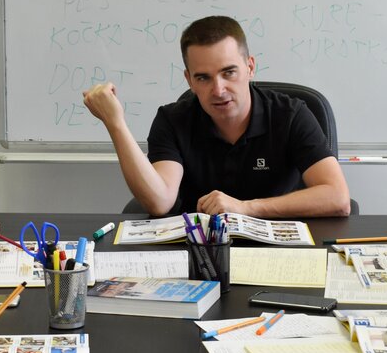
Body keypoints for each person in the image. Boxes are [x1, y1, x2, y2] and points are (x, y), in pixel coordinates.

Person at [82, 16, 351, 217]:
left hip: (278, 246)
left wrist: (245, 208)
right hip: (200, 250)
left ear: (250, 67)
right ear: (189, 80)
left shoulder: (291, 114)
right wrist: (116, 124)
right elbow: (159, 201)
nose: (219, 90)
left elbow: (338, 198)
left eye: (229, 72)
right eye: (203, 78)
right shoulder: (172, 120)